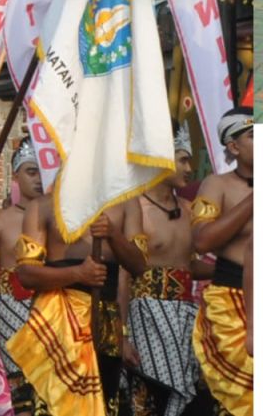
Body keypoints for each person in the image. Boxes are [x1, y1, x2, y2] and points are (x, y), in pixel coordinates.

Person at [10, 182, 146, 413]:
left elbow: (139, 265)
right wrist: (77, 274)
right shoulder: (42, 207)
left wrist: (113, 234)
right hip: (56, 322)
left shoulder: (128, 204)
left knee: (101, 402)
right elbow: (26, 274)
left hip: (106, 324)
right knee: (54, 404)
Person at [119, 126, 211, 416]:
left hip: (185, 316)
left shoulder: (188, 208)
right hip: (145, 316)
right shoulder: (136, 208)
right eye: (182, 159)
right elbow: (124, 274)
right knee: (150, 398)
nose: (190, 168)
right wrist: (122, 336)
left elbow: (189, 264)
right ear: (160, 160)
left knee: (190, 398)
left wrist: (229, 270)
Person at [191, 108, 254, 415]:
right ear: (233, 146)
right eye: (255, 136)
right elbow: (202, 241)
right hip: (231, 302)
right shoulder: (216, 186)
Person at [0, 138, 42, 416]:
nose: (38, 179)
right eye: (30, 171)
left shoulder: (58, 219)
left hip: (52, 313)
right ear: (15, 176)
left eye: (41, 171)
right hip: (11, 310)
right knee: (22, 393)